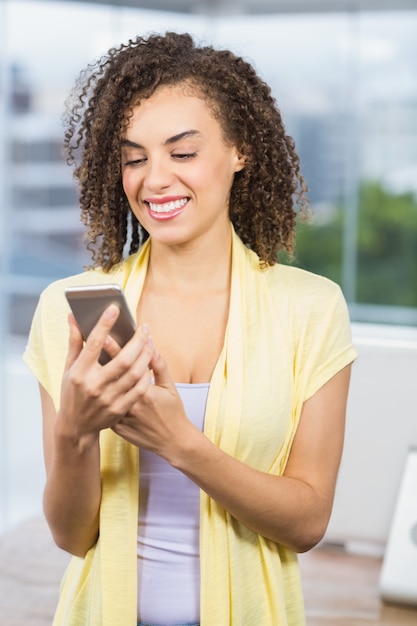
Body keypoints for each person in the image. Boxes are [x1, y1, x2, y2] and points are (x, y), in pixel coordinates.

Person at [23, 31, 357, 626]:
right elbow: (73, 537)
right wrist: (75, 432)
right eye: (133, 157)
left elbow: (307, 523)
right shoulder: (71, 307)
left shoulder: (311, 308)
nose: (154, 181)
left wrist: (180, 442)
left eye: (182, 153)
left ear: (240, 150)